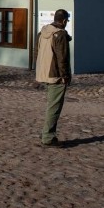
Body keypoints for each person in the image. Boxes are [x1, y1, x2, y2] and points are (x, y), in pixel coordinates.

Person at [35, 9, 72, 147]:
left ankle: (46, 132)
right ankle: (48, 136)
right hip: (55, 75)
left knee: (51, 104)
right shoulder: (60, 35)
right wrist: (65, 75)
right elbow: (62, 58)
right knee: (54, 106)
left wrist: (38, 70)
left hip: (43, 73)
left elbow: (36, 52)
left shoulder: (42, 33)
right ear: (63, 21)